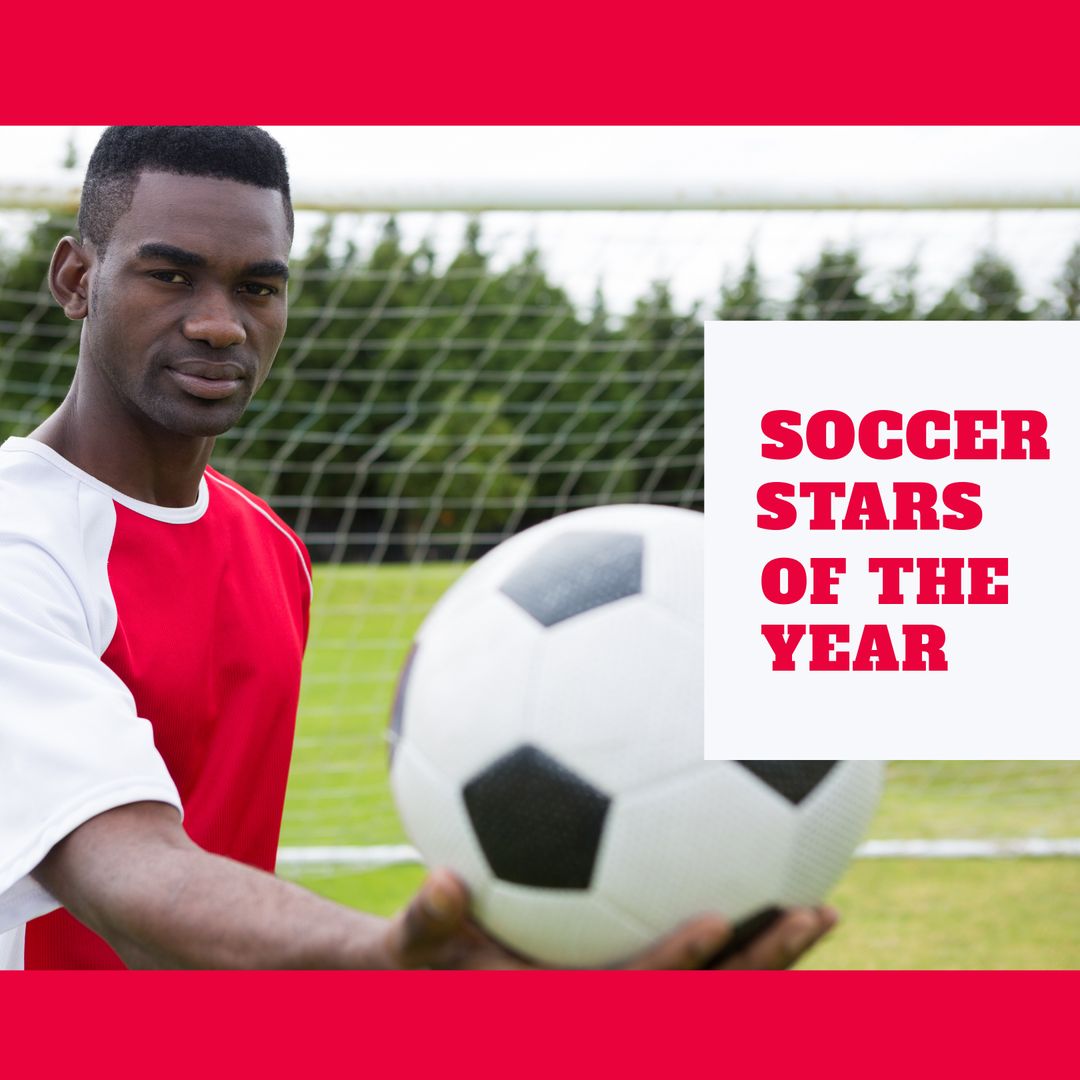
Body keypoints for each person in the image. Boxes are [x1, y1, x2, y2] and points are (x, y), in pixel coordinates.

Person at [0, 126, 836, 970]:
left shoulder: (271, 546)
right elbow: (123, 866)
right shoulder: (17, 542)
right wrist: (393, 961)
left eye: (257, 286)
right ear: (76, 278)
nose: (220, 324)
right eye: (170, 274)